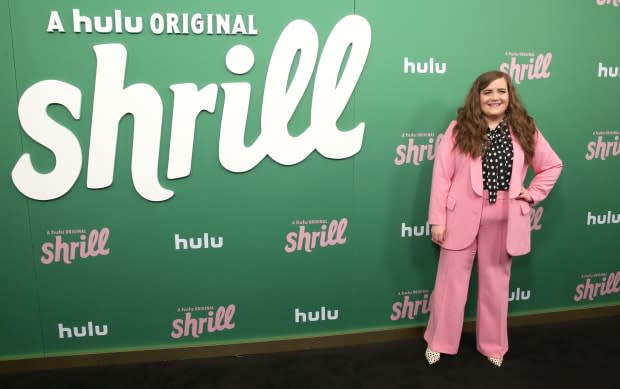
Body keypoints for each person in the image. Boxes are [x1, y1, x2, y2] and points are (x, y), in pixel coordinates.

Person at [423, 70, 562, 367]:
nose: (494, 97)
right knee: (450, 284)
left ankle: (493, 346)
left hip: (504, 217)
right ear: (478, 97)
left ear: (510, 96)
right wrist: (437, 219)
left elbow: (552, 166)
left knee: (495, 285)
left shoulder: (526, 128)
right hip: (458, 215)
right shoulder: (458, 129)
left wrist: (532, 193)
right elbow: (441, 176)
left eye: (501, 91)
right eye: (487, 92)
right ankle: (439, 341)